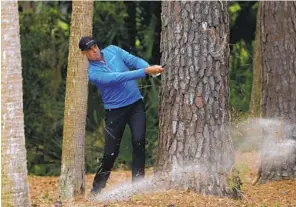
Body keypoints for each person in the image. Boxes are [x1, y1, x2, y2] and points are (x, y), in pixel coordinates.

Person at [78, 36, 164, 196]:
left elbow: (133, 60)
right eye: (89, 50)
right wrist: (146, 71)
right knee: (110, 153)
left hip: (135, 105)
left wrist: (149, 68)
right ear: (84, 54)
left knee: (139, 142)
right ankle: (96, 190)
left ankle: (138, 185)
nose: (94, 51)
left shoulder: (113, 50)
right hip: (115, 112)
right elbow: (118, 77)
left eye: (94, 46)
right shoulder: (93, 73)